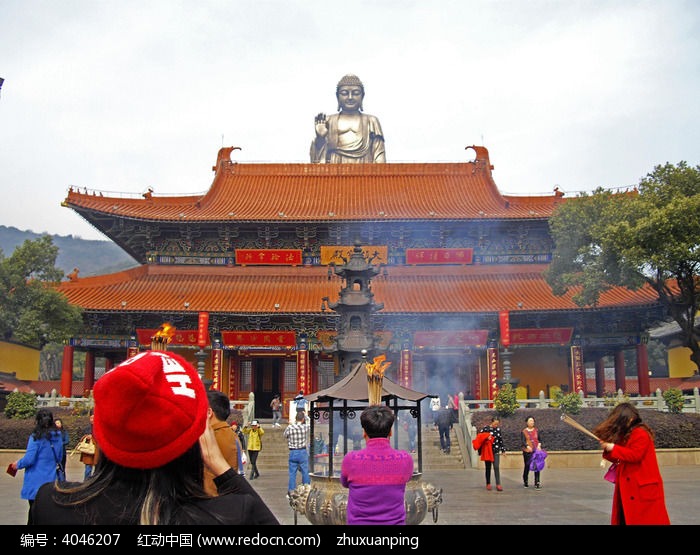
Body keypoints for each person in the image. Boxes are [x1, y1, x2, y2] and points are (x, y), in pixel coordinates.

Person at [29, 350, 279, 525]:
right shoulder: (231, 515)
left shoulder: (52, 504)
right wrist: (220, 465)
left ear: (102, 434)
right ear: (199, 435)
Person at [592, 402, 670, 525]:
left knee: (646, 520)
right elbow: (622, 457)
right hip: (630, 486)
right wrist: (608, 448)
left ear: (631, 418)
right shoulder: (629, 434)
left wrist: (613, 447)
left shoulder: (640, 433)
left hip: (642, 487)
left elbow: (634, 455)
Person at [340, 405, 414, 525]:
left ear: (364, 432)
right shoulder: (405, 459)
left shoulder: (351, 459)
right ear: (390, 432)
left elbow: (344, 483)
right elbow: (408, 477)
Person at [310, 74, 386, 164]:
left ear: (362, 96)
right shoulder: (328, 121)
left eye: (356, 93)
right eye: (344, 93)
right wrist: (320, 137)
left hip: (364, 168)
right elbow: (317, 159)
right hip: (335, 168)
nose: (350, 97)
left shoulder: (371, 121)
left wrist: (379, 174)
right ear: (337, 96)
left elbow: (379, 154)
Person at [9, 408, 63, 523]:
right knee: (48, 513)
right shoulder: (58, 437)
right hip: (52, 480)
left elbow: (29, 459)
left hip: (36, 480)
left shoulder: (36, 437)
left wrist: (17, 464)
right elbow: (59, 457)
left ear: (38, 421)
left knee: (34, 514)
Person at [203, 390, 243, 496]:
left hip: (209, 501)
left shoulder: (210, 437)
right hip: (226, 498)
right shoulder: (232, 435)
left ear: (209, 412)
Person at [283, 410, 311, 497]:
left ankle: (291, 491)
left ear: (295, 419)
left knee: (292, 473)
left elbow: (284, 436)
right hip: (302, 451)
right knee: (305, 471)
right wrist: (306, 416)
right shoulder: (305, 427)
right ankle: (306, 490)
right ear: (302, 419)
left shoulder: (290, 427)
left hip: (293, 451)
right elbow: (310, 423)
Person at [480, 416, 506, 491]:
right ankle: (488, 483)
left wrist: (503, 450)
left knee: (496, 467)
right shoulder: (485, 429)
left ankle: (498, 484)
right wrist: (486, 438)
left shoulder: (498, 430)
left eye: (497, 424)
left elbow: (500, 440)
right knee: (488, 468)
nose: (496, 425)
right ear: (492, 422)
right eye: (495, 424)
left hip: (496, 450)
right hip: (488, 451)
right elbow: (480, 437)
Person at [521, 415, 543, 489]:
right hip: (527, 451)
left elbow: (540, 439)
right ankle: (525, 481)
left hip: (535, 451)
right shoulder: (524, 431)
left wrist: (539, 445)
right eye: (530, 421)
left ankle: (537, 482)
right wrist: (527, 446)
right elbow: (522, 441)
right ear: (527, 422)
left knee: (537, 466)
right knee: (527, 466)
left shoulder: (536, 430)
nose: (532, 422)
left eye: (533, 421)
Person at [79, 411, 96, 480]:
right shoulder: (87, 428)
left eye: (94, 418)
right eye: (91, 418)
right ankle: (86, 481)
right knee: (88, 468)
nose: (92, 420)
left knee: (97, 468)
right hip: (88, 451)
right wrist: (86, 437)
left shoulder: (100, 428)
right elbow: (82, 439)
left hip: (97, 451)